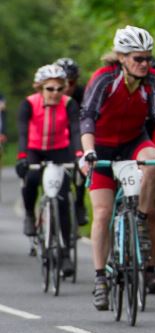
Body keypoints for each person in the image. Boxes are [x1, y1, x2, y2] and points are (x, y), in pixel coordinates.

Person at [80, 26, 155, 310]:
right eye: (138, 59)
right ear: (121, 57)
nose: (145, 64)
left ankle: (142, 224)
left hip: (133, 141)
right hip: (102, 146)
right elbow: (87, 116)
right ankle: (100, 278)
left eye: (148, 58)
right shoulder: (104, 79)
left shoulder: (153, 81)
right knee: (103, 212)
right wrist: (88, 152)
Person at [15, 65, 82, 274]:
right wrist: (22, 157)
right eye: (49, 89)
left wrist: (79, 155)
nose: (55, 93)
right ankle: (28, 213)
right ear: (40, 88)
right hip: (35, 149)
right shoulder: (28, 104)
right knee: (32, 178)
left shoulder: (69, 104)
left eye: (59, 89)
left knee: (62, 199)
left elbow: (75, 131)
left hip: (60, 150)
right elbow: (23, 132)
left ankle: (64, 255)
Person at [55, 57, 88, 226]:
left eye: (72, 82)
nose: (67, 87)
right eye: (63, 83)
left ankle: (80, 203)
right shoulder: (51, 95)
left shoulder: (83, 94)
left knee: (82, 168)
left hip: (78, 136)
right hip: (56, 139)